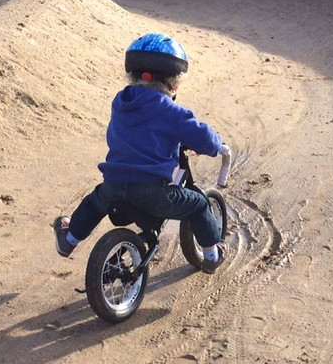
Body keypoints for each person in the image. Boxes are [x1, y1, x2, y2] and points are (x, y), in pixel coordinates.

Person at [52, 33, 228, 273]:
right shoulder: (172, 111)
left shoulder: (120, 102)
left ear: (132, 75)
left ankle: (69, 240)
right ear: (174, 82)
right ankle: (212, 256)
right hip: (151, 193)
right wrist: (218, 146)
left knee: (93, 204)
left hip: (113, 185)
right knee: (197, 204)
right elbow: (204, 139)